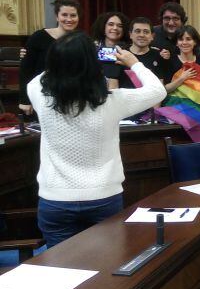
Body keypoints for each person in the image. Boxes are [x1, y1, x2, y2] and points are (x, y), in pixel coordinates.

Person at [27, 32, 167, 248]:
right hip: (104, 197)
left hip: (56, 199)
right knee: (104, 268)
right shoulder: (112, 101)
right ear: (94, 66)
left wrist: (64, 56)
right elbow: (157, 91)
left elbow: (43, 77)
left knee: (61, 270)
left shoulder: (37, 93)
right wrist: (135, 63)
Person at [18, 0, 81, 115]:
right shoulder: (39, 37)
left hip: (71, 99)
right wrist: (24, 100)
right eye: (64, 15)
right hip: (41, 96)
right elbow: (25, 70)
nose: (69, 19)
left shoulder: (81, 40)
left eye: (73, 15)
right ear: (57, 16)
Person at [117, 17, 172, 90]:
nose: (142, 35)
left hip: (149, 100)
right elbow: (113, 85)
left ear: (152, 36)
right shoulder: (120, 54)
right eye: (137, 31)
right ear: (130, 34)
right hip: (124, 99)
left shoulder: (159, 56)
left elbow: (160, 88)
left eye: (146, 32)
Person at [92, 11, 130, 88]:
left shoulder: (129, 51)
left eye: (120, 26)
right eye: (111, 24)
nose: (115, 28)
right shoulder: (92, 48)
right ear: (103, 27)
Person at [165, 25, 200, 93]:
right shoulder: (170, 61)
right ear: (176, 43)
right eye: (181, 39)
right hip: (176, 100)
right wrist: (182, 78)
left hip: (197, 98)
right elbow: (166, 89)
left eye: (188, 39)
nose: (184, 43)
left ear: (195, 42)